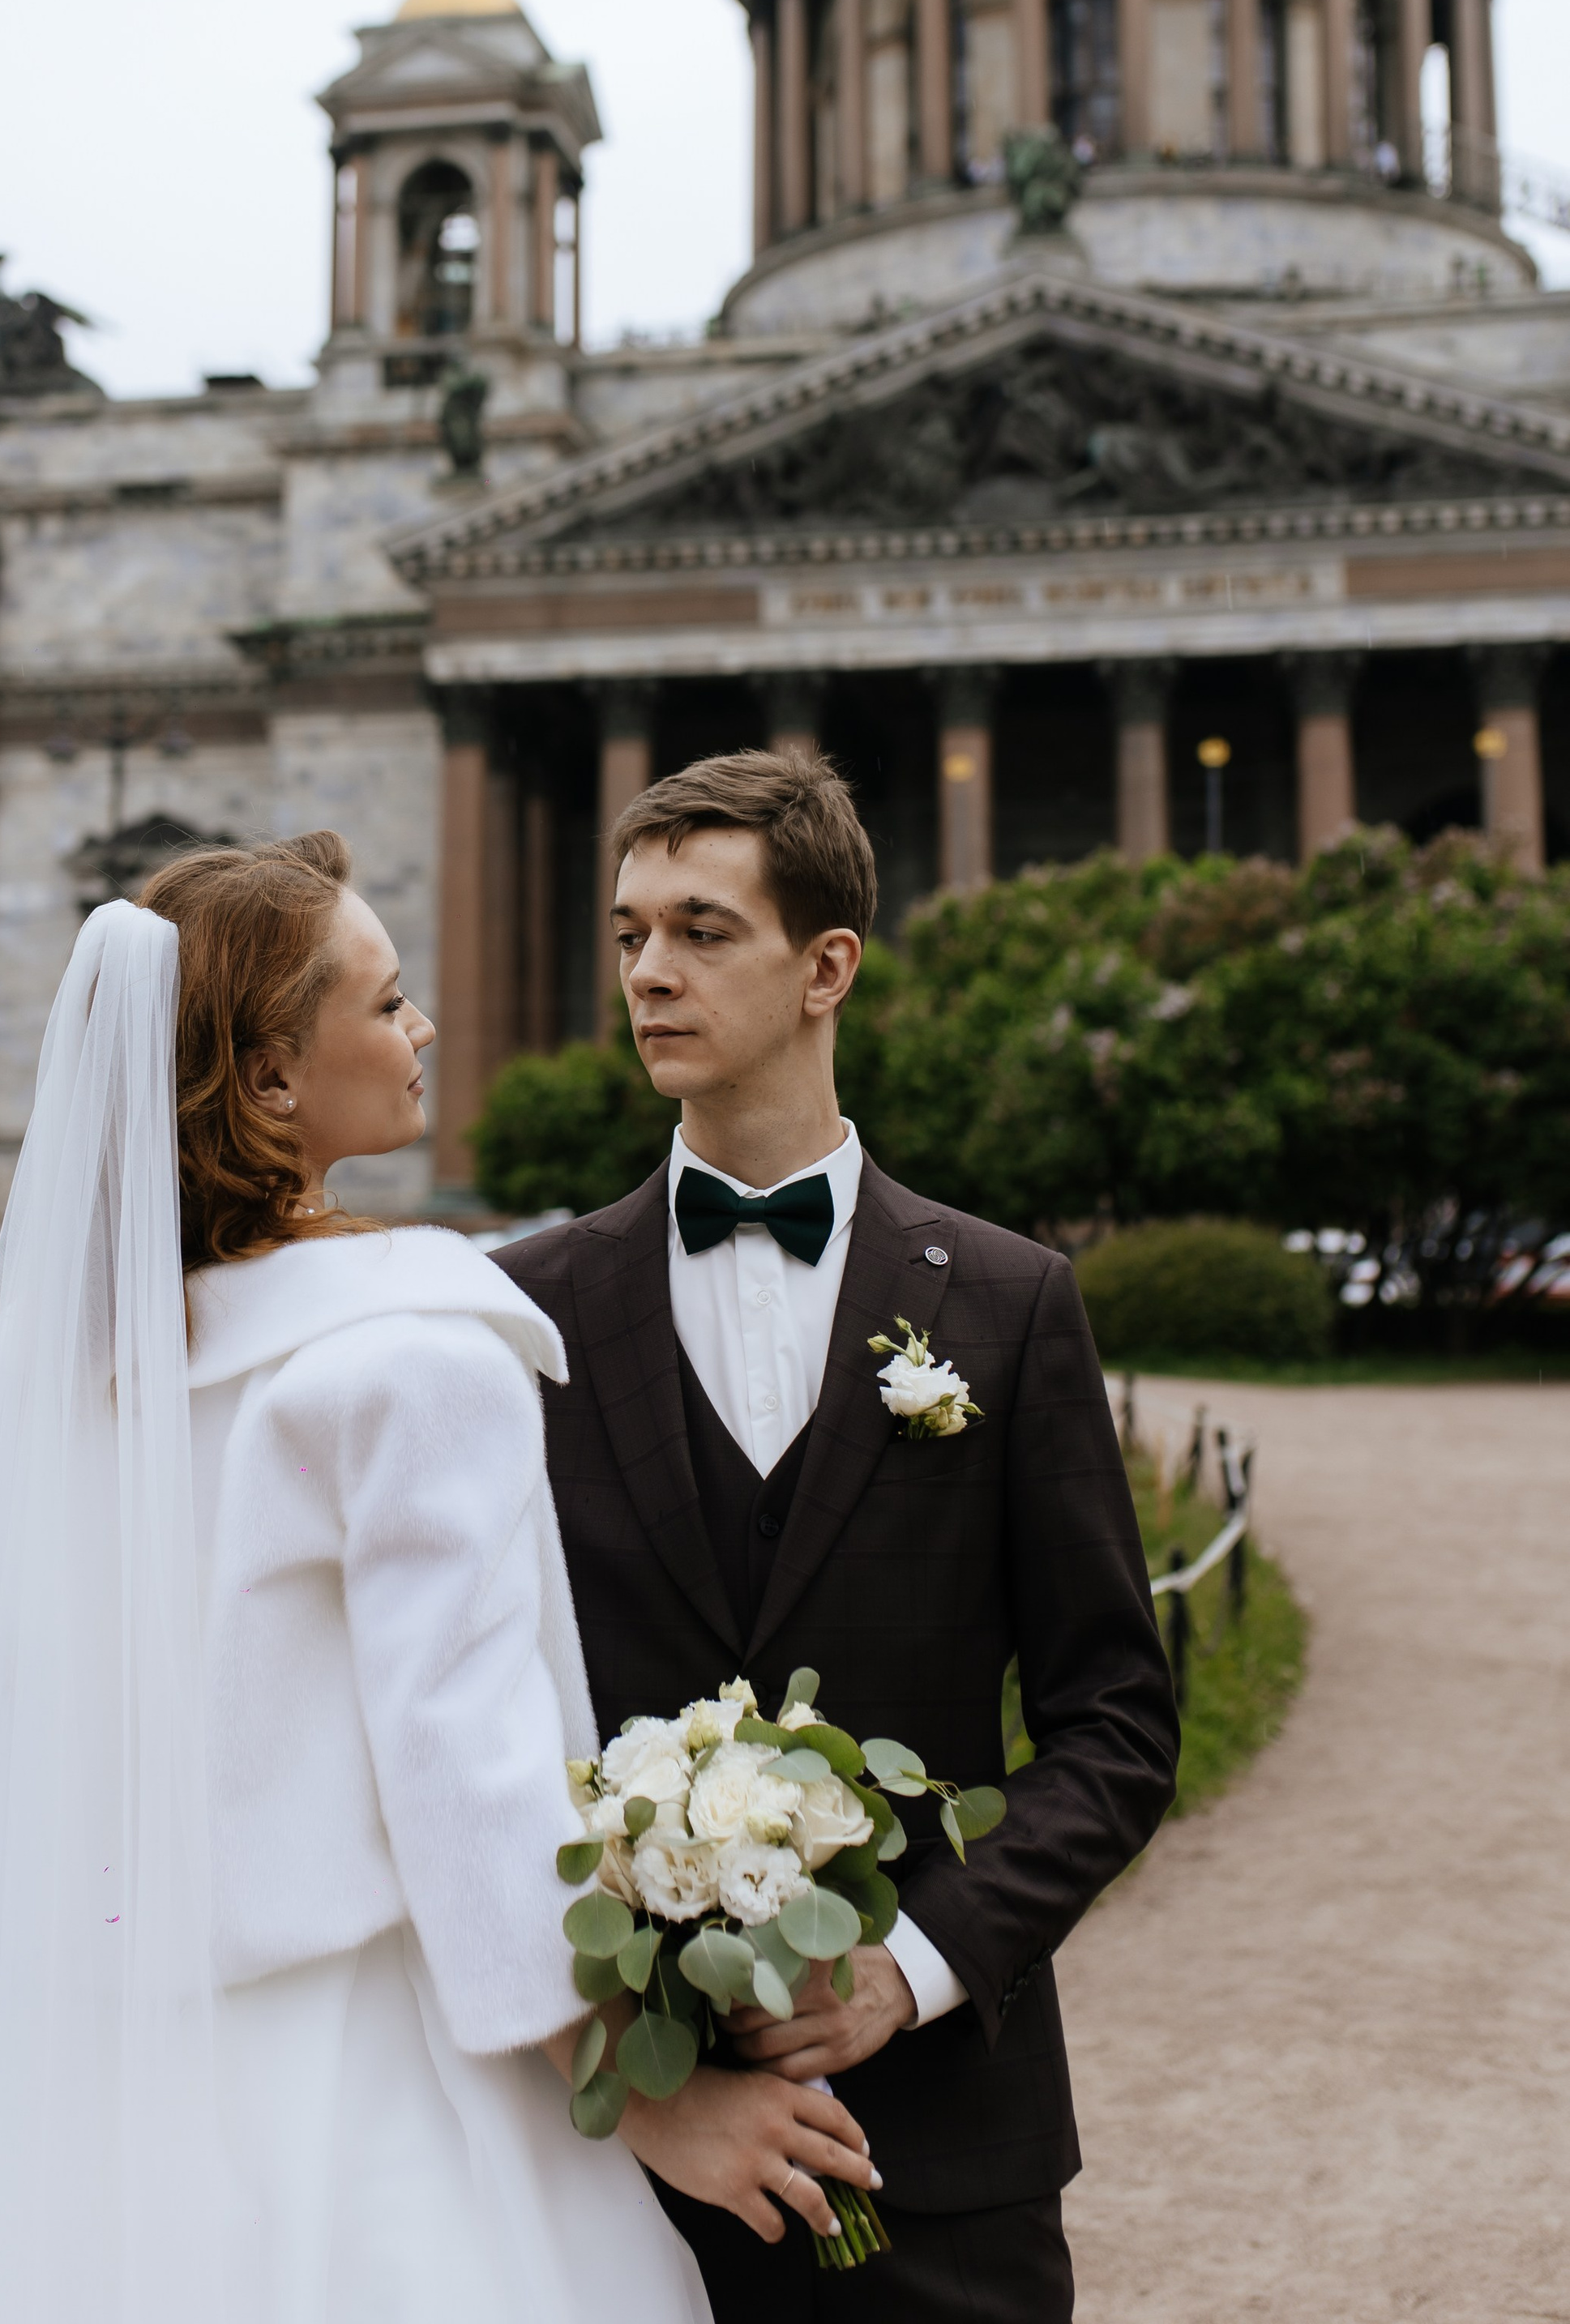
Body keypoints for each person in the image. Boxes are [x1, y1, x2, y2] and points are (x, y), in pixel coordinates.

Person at [0, 831, 872, 2324]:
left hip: (48, 2113)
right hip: (371, 2099)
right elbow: (477, 1798)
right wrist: (646, 2099)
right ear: (268, 1082)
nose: (422, 1028)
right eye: (384, 1005)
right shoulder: (409, 1365)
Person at [494, 750, 1179, 2323]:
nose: (647, 973)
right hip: (614, 2162)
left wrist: (910, 1969)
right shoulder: (518, 1319)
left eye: (699, 930)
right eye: (625, 934)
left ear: (826, 966)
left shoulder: (1005, 1308)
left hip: (942, 2159)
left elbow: (1114, 1726)